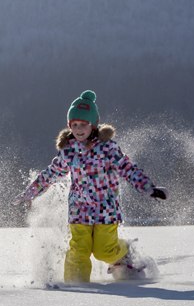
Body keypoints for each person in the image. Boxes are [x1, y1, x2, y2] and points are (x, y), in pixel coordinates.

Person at [14, 89, 166, 284]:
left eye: (83, 124)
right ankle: (75, 288)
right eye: (74, 124)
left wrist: (149, 188)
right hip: (79, 210)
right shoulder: (68, 151)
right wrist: (30, 193)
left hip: (106, 210)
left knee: (104, 250)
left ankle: (125, 254)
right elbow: (51, 173)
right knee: (79, 250)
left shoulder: (108, 148)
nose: (78, 129)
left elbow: (127, 168)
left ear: (92, 125)